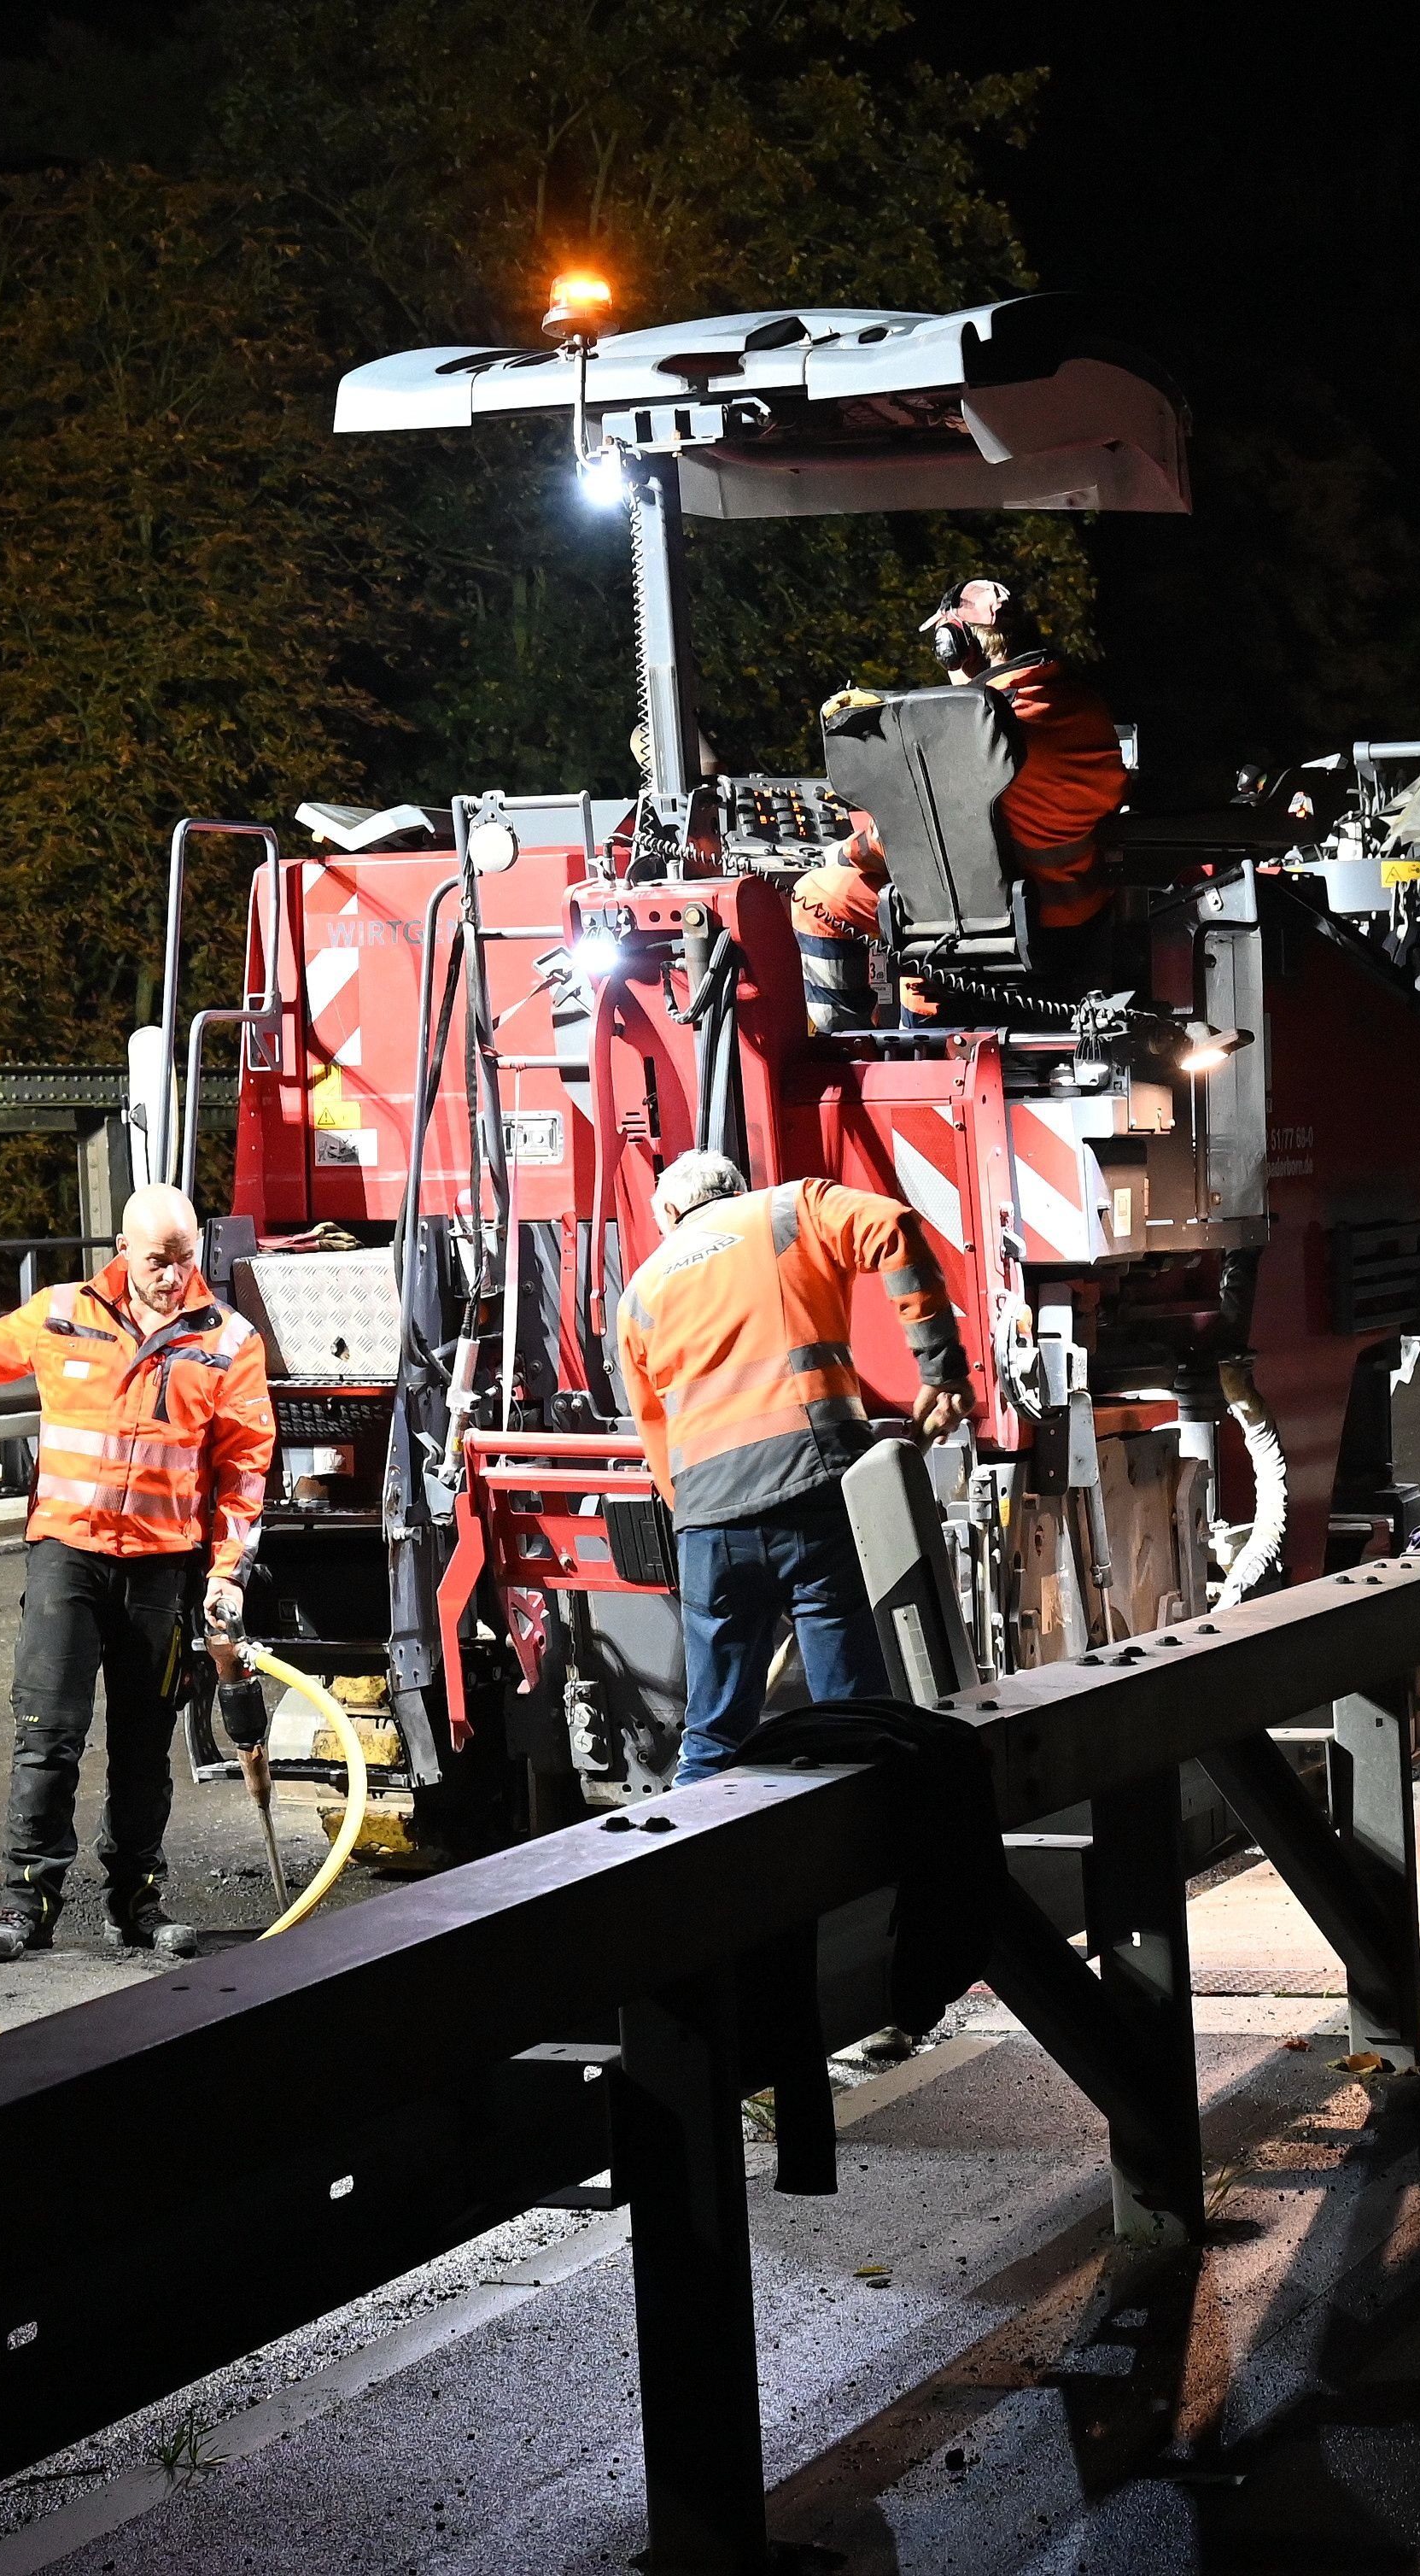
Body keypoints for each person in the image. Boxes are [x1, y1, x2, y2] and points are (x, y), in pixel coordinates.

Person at [0, 1183, 275, 1963]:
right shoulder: (64, 1311)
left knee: (144, 1744)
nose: (172, 1276)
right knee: (47, 1735)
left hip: (161, 1568)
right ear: (124, 1252)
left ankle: (137, 1902)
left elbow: (244, 1467)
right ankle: (25, 1904)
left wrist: (227, 1572)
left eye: (184, 1258)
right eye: (156, 1261)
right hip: (67, 1556)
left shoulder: (228, 1341)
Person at [612, 1150, 971, 1781]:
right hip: (816, 1492)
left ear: (670, 1212)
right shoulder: (792, 1207)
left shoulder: (640, 1290)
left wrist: (702, 1520)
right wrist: (939, 1369)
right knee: (849, 1721)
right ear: (736, 1190)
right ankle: (860, 1864)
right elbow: (893, 1226)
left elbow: (655, 1433)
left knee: (714, 1735)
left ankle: (690, 1864)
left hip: (709, 1522)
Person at [793, 579, 1127, 1019]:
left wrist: (845, 852)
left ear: (957, 646)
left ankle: (846, 1057)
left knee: (817, 894)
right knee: (913, 909)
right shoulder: (1082, 706)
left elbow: (909, 840)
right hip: (1075, 916)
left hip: (993, 923)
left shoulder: (975, 729)